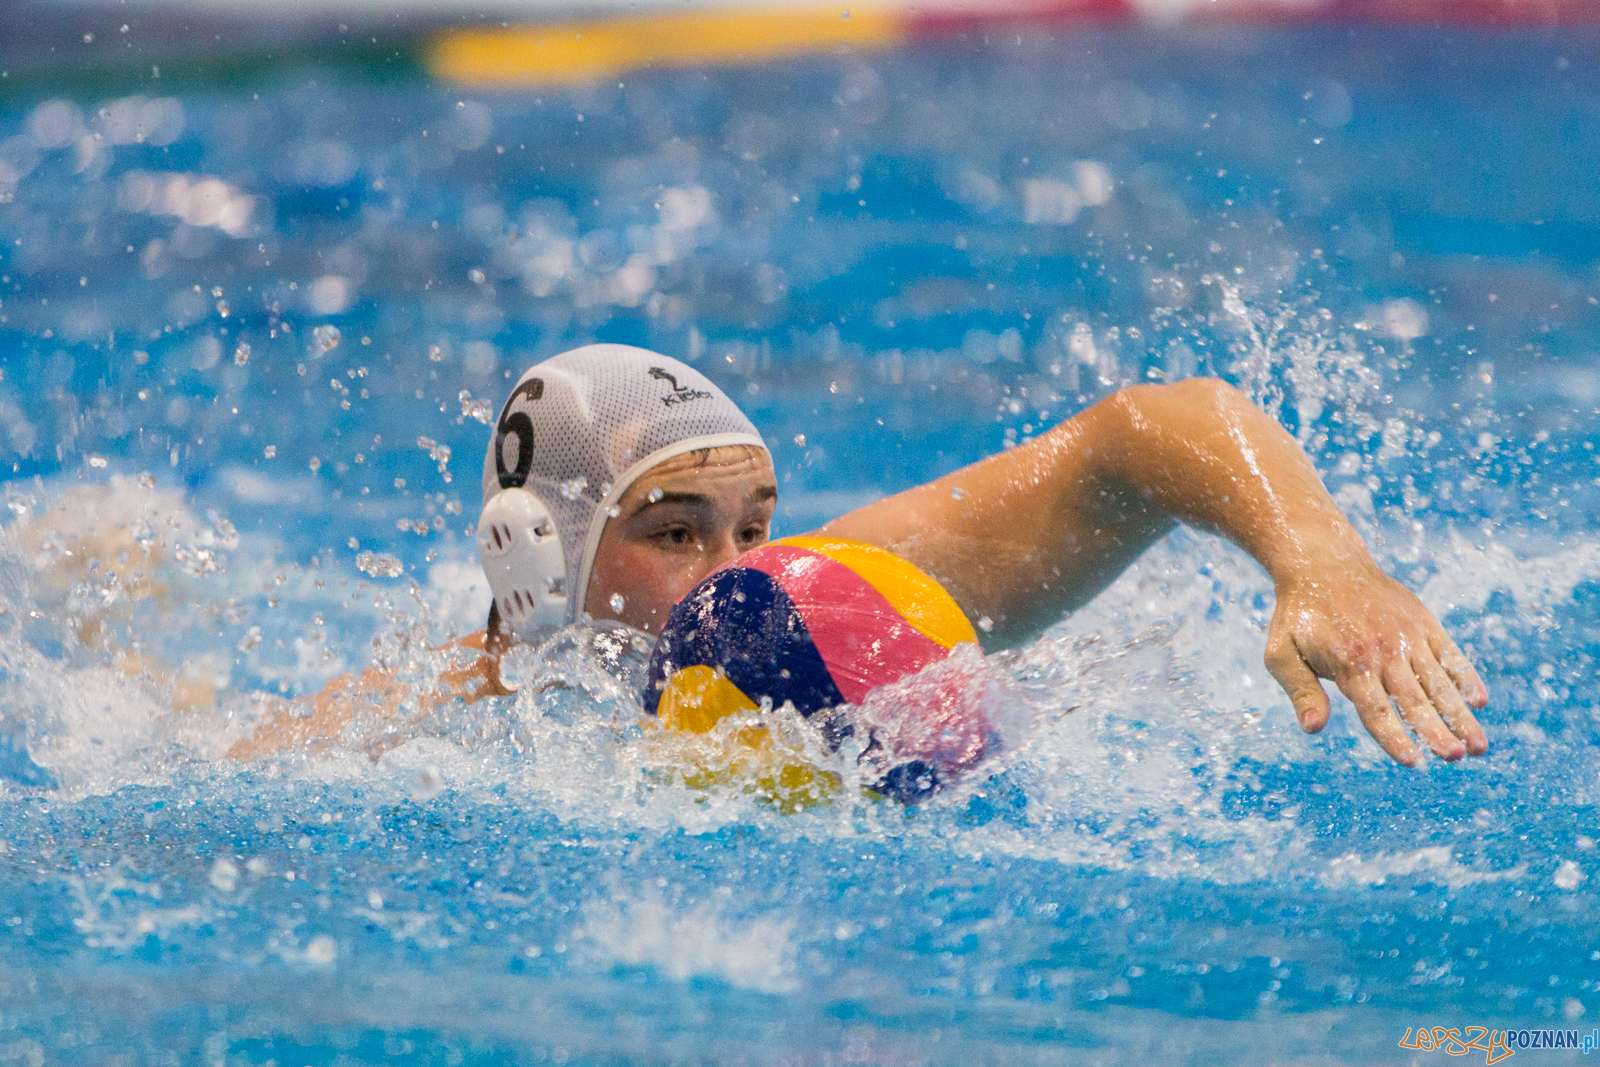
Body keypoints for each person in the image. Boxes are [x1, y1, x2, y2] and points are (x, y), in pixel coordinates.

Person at [229, 342, 1488, 768]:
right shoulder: (413, 735)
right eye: (676, 532)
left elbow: (1143, 432)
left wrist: (1321, 561)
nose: (739, 570)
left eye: (755, 524)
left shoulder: (832, 604)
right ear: (537, 562)